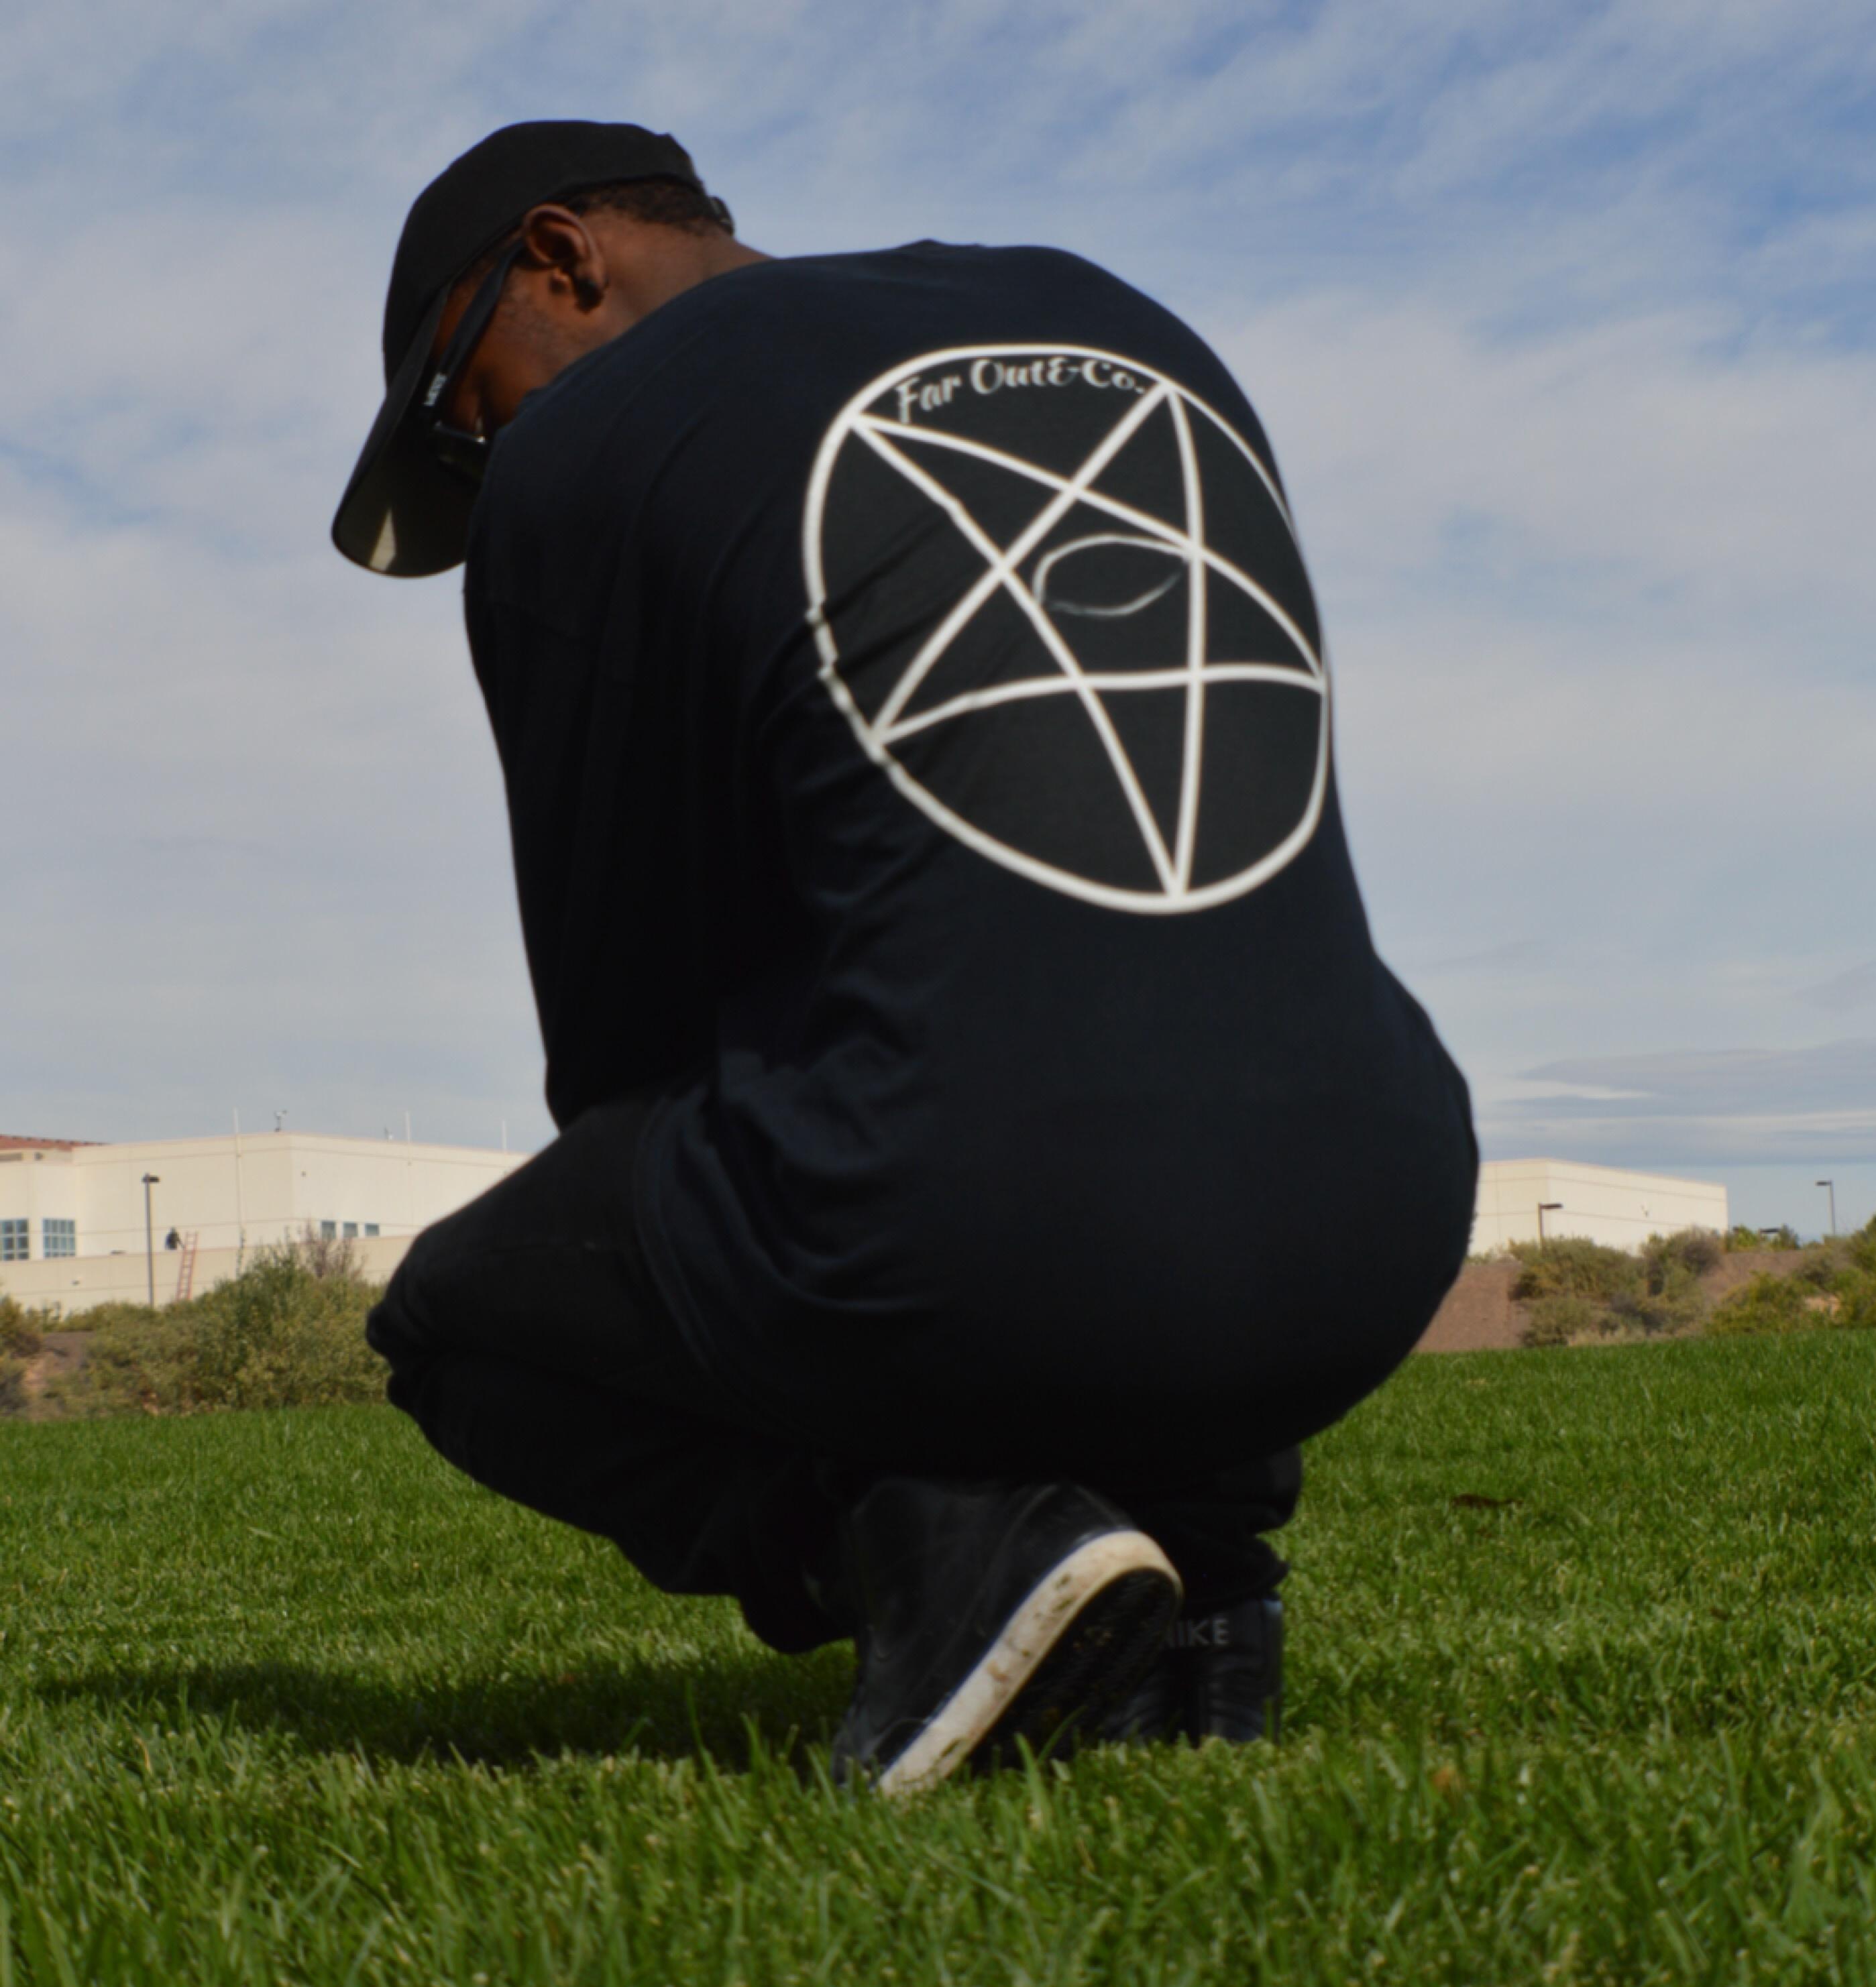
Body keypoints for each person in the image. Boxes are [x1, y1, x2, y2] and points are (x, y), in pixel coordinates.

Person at [333, 121, 1476, 1793]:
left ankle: (935, 1555)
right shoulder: (1111, 314)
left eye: (462, 409)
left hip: (972, 1224)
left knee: (460, 1321)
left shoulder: (583, 450)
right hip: (1383, 1213)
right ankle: (1209, 1597)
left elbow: (628, 1031)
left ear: (562, 258)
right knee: (1095, 1031)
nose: (490, 457)